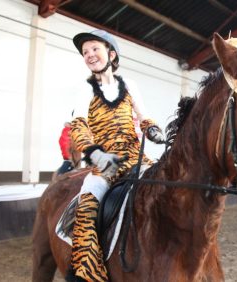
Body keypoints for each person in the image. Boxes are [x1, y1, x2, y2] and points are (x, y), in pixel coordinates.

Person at [67, 29, 164, 282]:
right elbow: (78, 126)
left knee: (166, 187)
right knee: (86, 207)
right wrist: (94, 153)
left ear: (111, 54)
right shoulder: (84, 89)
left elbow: (142, 116)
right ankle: (86, 273)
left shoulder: (130, 85)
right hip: (104, 163)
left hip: (136, 157)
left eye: (94, 49)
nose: (89, 55)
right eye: (85, 52)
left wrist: (151, 129)